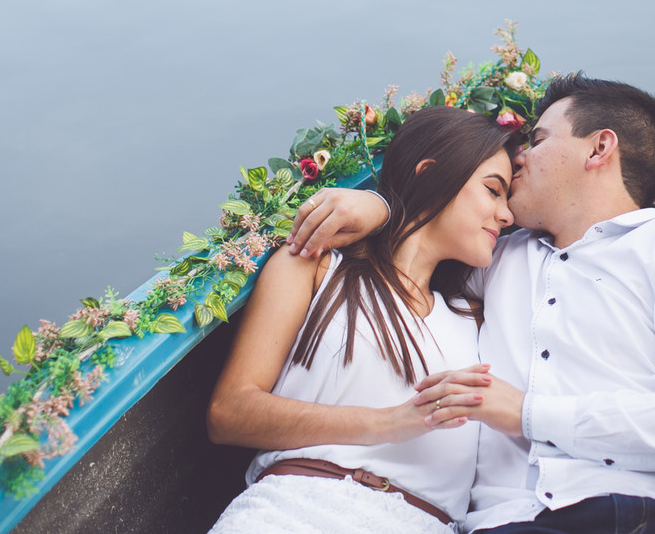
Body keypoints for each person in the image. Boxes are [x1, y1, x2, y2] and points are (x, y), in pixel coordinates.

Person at [289, 75, 655, 534]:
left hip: (652, 514)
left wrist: (526, 413)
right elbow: (425, 236)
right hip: (508, 522)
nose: (519, 156)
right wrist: (382, 207)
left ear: (599, 148)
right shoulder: (493, 258)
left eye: (537, 140)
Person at [206, 106, 519, 534]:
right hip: (292, 511)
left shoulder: (477, 321)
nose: (507, 215)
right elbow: (230, 413)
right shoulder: (315, 268)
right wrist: (388, 423)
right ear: (429, 174)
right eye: (493, 190)